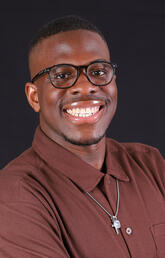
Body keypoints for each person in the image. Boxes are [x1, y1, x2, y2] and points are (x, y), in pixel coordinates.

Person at [0, 15, 164, 258]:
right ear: (34, 97)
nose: (86, 86)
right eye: (62, 75)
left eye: (98, 71)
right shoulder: (15, 196)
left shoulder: (150, 164)